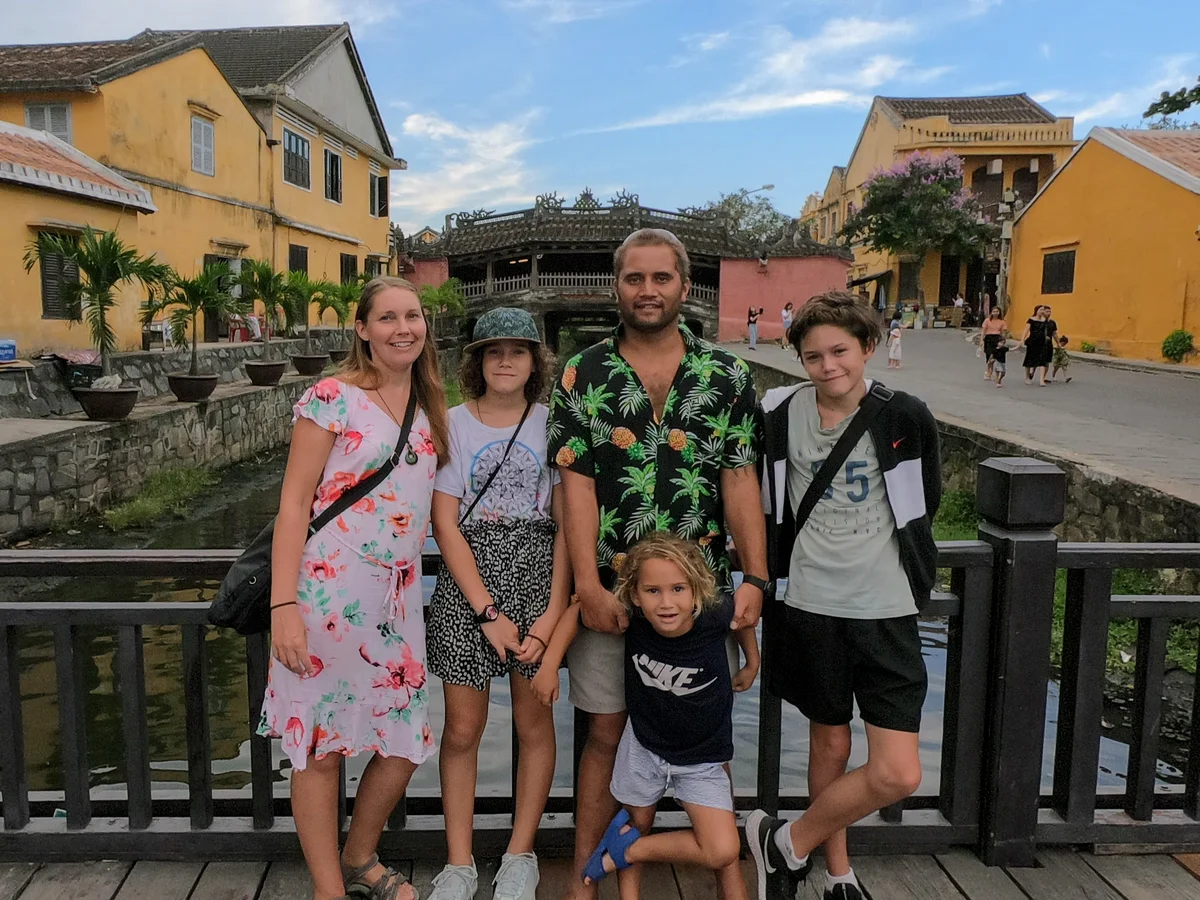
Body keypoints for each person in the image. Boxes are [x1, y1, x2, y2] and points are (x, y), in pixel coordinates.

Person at [547, 227, 768, 900]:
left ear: (684, 285)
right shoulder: (582, 372)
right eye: (634, 278)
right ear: (616, 286)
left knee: (705, 733)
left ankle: (729, 877)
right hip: (612, 589)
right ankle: (586, 878)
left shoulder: (726, 375)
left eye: (661, 277)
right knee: (605, 733)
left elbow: (739, 480)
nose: (648, 290)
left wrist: (756, 578)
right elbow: (575, 486)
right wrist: (589, 585)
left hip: (696, 595)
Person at [260, 276, 449, 900]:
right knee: (321, 746)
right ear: (363, 329)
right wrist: (283, 606)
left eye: (413, 316)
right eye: (388, 317)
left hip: (397, 600)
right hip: (325, 593)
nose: (404, 328)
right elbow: (293, 506)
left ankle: (360, 853)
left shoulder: (429, 404)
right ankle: (330, 887)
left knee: (405, 742)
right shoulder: (332, 397)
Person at [748, 291, 941, 900]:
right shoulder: (780, 415)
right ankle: (837, 871)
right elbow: (759, 493)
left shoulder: (904, 415)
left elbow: (925, 500)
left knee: (897, 771)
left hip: (887, 607)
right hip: (809, 603)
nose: (828, 366)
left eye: (840, 351)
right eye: (813, 356)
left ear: (867, 347)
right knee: (829, 741)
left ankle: (787, 841)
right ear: (799, 360)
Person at [426, 307, 572, 900]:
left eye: (517, 351)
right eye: (494, 351)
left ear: (536, 361)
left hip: (537, 575)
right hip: (469, 585)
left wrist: (551, 614)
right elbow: (444, 521)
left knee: (534, 723)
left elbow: (567, 524)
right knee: (462, 728)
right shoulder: (454, 423)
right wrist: (487, 612)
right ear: (477, 362)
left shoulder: (553, 422)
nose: (505, 361)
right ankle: (459, 862)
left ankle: (520, 853)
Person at [528, 533, 756, 899]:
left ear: (696, 590)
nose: (666, 603)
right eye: (653, 591)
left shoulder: (715, 614)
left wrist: (752, 661)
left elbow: (742, 620)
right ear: (635, 595)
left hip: (703, 758)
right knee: (636, 820)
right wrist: (549, 666)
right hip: (644, 746)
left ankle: (628, 852)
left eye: (678, 589)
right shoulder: (633, 616)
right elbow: (576, 612)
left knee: (723, 848)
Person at [1020, 304, 1054, 386]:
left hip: (1042, 342)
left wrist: (1046, 337)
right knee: (1029, 359)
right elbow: (1026, 330)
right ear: (1036, 311)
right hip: (1032, 342)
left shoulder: (1044, 320)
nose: (1042, 311)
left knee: (1043, 360)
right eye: (1040, 310)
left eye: (1043, 310)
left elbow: (1046, 330)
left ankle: (1041, 380)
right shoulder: (1031, 320)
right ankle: (1027, 377)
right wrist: (1022, 340)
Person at [980, 308, 1008, 381]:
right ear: (991, 312)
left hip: (997, 339)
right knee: (989, 356)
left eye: (997, 311)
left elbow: (1003, 332)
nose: (995, 313)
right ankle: (988, 371)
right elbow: (983, 331)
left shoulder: (1002, 322)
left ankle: (994, 372)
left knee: (995, 357)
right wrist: (981, 340)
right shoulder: (987, 320)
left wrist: (1003, 341)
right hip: (988, 339)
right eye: (994, 311)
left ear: (999, 312)